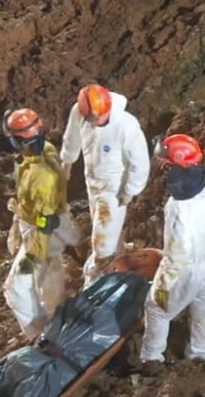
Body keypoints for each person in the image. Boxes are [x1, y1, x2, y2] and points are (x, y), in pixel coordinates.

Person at [138, 134, 205, 366]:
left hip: (185, 269)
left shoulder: (177, 207)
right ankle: (200, 357)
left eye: (167, 164)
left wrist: (163, 283)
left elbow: (176, 253)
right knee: (204, 312)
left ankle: (151, 360)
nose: (164, 168)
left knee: (157, 310)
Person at [59, 84, 150, 284]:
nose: (98, 122)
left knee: (102, 242)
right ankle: (118, 271)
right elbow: (72, 137)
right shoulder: (79, 112)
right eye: (93, 119)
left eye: (100, 118)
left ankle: (92, 282)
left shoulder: (125, 125)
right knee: (106, 230)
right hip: (92, 181)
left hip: (114, 189)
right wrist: (67, 161)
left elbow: (140, 161)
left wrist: (131, 189)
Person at [2, 108, 80, 341]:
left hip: (43, 234)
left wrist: (33, 255)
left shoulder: (41, 176)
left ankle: (44, 337)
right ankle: (50, 332)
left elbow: (47, 221)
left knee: (21, 288)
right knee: (43, 285)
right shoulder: (46, 151)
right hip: (43, 225)